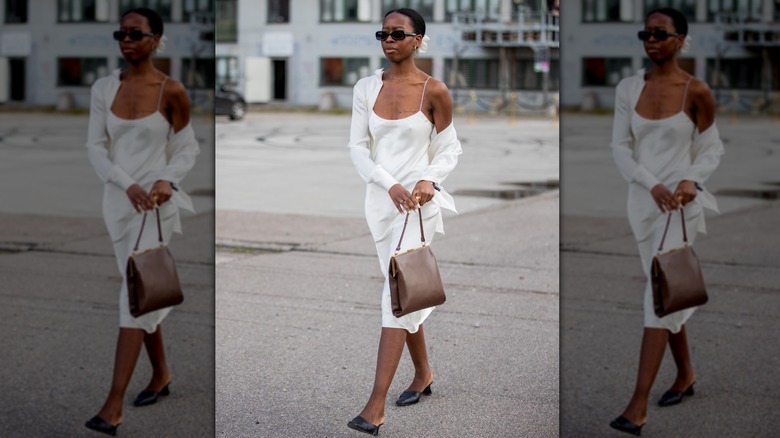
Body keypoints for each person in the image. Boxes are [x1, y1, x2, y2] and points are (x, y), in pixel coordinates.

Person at [346, 8, 462, 436]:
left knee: (392, 298)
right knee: (405, 293)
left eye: (398, 33)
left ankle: (374, 405)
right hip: (380, 204)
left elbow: (450, 148)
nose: (389, 39)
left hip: (417, 209)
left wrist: (429, 178)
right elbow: (358, 148)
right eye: (383, 33)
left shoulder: (435, 90)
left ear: (418, 40)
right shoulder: (365, 88)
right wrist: (388, 183)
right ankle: (424, 373)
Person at [608, 8, 724, 436]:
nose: (651, 40)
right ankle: (686, 374)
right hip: (642, 206)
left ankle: (637, 405)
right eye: (646, 33)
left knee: (656, 297)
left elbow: (712, 149)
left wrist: (692, 177)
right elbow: (620, 148)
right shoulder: (628, 88)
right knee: (668, 293)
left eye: (661, 33)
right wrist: (650, 184)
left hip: (681, 209)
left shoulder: (697, 91)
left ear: (681, 40)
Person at [84, 8, 199, 436]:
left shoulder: (172, 90)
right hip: (117, 206)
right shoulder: (103, 88)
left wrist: (167, 178)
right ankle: (162, 374)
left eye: (136, 33)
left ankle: (112, 406)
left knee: (132, 298)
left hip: (156, 209)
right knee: (144, 293)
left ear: (156, 40)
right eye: (121, 33)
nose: (126, 40)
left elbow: (187, 149)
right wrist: (126, 184)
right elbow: (96, 148)